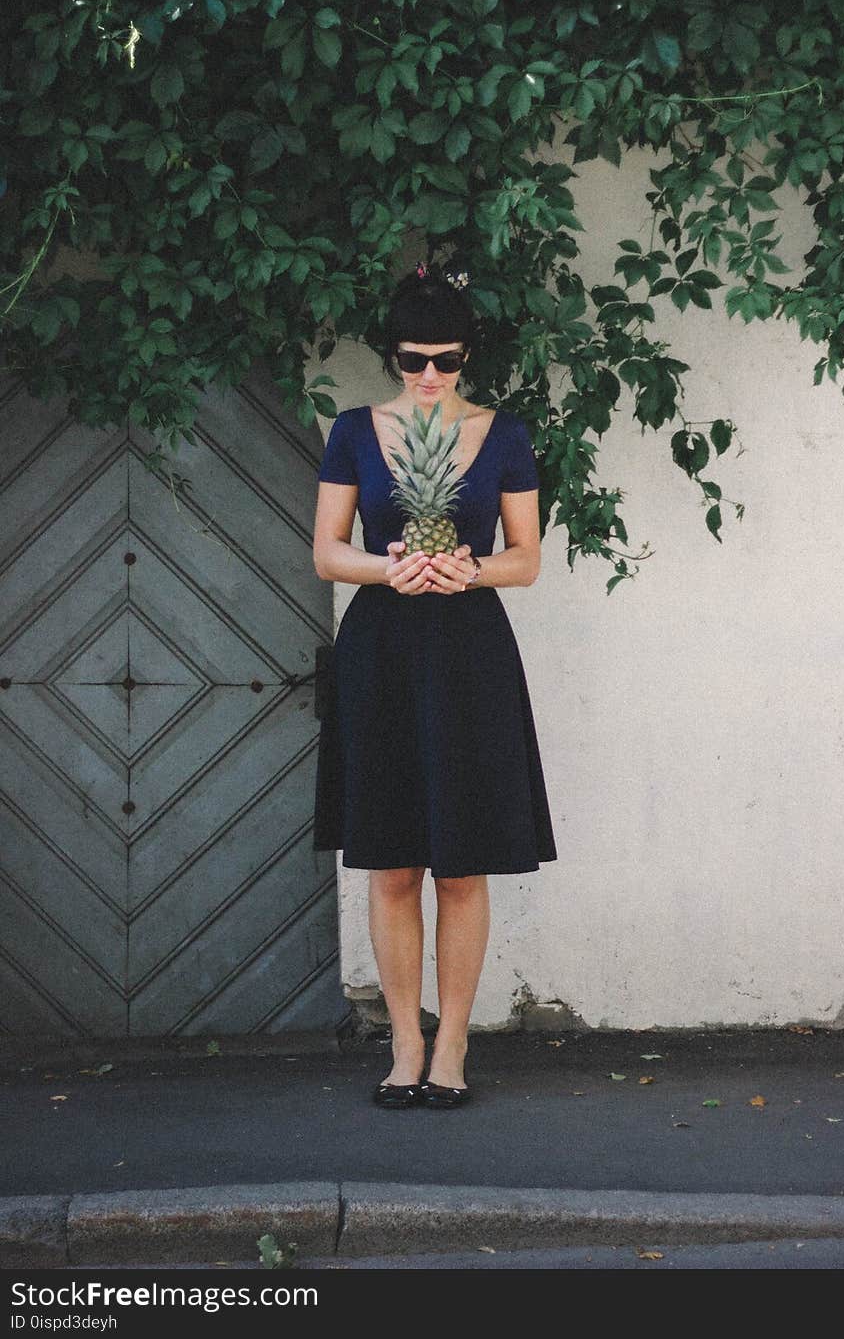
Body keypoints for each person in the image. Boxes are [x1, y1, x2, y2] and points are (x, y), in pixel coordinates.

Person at [311, 264, 557, 1109]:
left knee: (462, 865)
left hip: (468, 652)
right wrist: (389, 567)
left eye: (446, 361)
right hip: (380, 648)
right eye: (414, 359)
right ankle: (403, 1043)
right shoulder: (352, 432)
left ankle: (453, 1045)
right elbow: (326, 552)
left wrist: (470, 568)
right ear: (392, 354)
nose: (428, 377)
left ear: (466, 357)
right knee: (388, 864)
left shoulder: (506, 435)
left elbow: (526, 558)